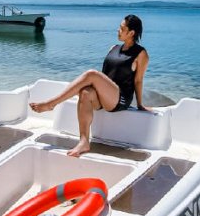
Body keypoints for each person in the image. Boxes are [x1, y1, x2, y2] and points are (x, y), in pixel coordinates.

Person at [29, 15, 149, 157]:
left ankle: (51, 104)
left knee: (91, 74)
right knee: (85, 92)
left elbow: (138, 81)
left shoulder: (141, 54)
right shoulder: (113, 48)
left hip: (120, 98)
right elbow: (106, 75)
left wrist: (140, 104)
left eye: (122, 28)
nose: (118, 30)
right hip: (103, 97)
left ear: (131, 33)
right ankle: (84, 142)